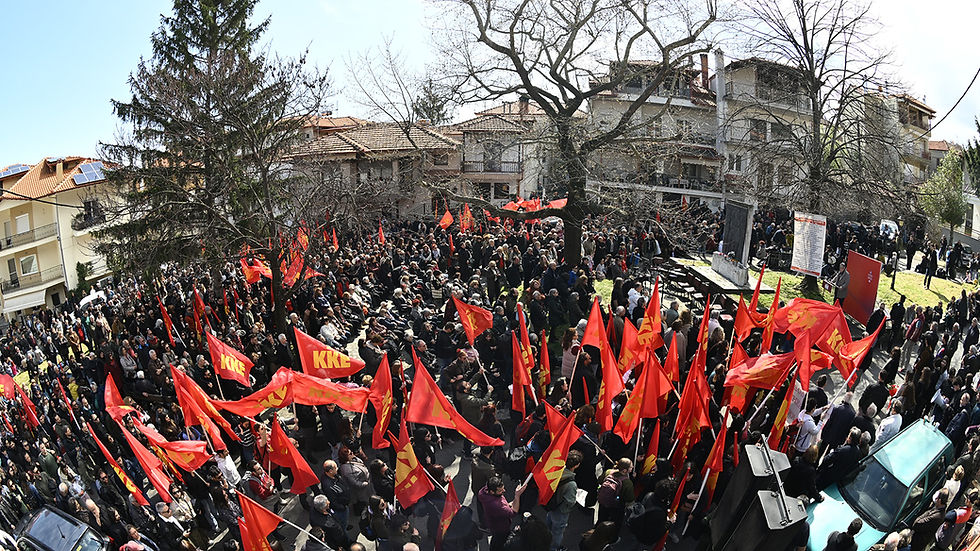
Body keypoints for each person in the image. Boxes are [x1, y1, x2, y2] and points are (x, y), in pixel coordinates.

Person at [546, 450, 582, 551]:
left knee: (549, 523)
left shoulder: (556, 470)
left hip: (551, 504)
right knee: (558, 532)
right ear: (576, 465)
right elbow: (570, 502)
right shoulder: (571, 484)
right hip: (560, 511)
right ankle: (554, 548)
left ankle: (546, 538)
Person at [478, 476, 522, 551]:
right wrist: (517, 496)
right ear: (492, 491)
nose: (504, 491)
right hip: (501, 528)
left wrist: (508, 505)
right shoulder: (497, 505)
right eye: (500, 491)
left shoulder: (483, 492)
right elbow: (513, 513)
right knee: (500, 542)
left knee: (495, 540)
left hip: (493, 525)